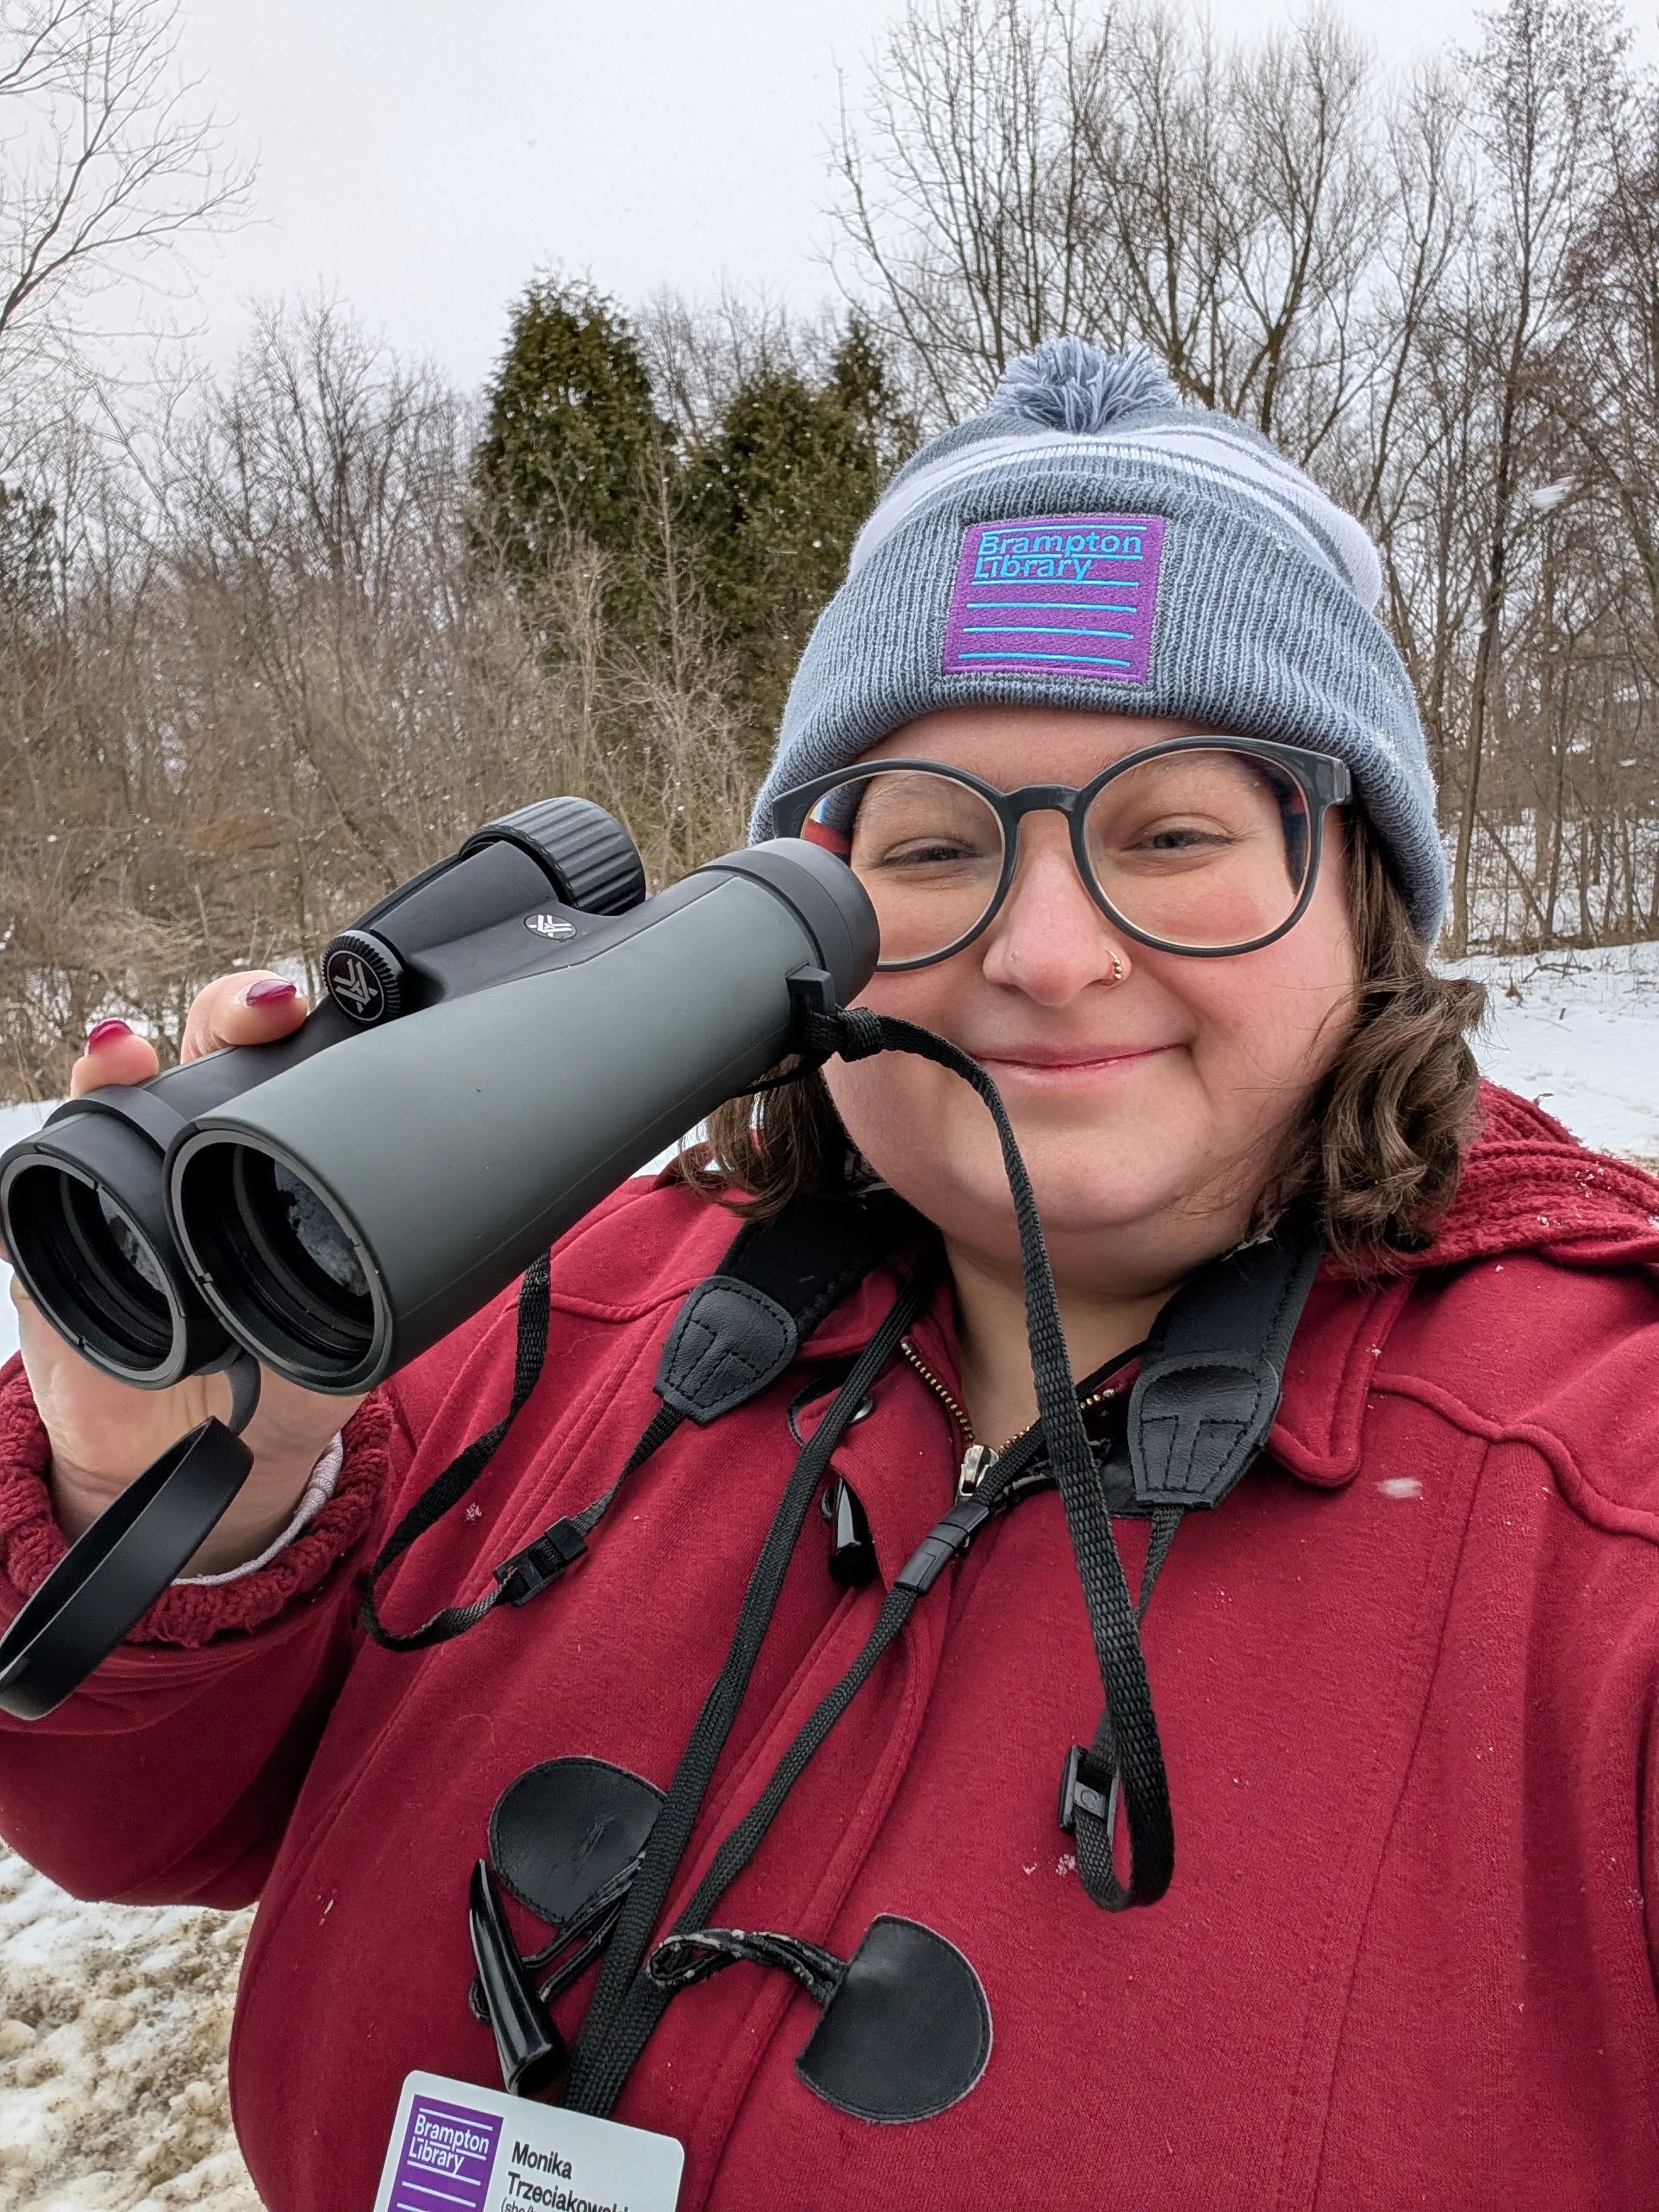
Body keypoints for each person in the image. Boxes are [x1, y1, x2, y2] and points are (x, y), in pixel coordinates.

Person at [3, 339, 1658, 2212]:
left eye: (1180, 833)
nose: (1047, 952)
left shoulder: (1606, 1491)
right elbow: (135, 1807)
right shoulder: (568, 1301)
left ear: (1368, 899)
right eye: (936, 846)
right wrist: (177, 1491)